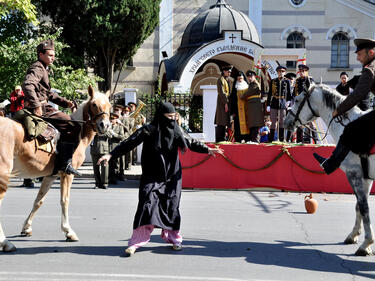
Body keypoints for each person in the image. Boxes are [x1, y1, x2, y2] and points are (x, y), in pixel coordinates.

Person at [97, 102, 223, 256]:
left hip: (172, 176)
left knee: (171, 206)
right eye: (169, 117)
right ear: (161, 116)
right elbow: (130, 142)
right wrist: (111, 154)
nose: (172, 119)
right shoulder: (148, 130)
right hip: (152, 175)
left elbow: (190, 142)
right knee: (146, 205)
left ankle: (175, 239)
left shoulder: (176, 130)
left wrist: (207, 149)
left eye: (173, 116)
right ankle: (136, 242)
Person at [313, 38, 375, 174]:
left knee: (351, 130)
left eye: (359, 54)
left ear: (370, 52)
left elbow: (357, 95)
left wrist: (337, 111)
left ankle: (330, 165)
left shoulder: (370, 70)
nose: (358, 58)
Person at [22, 39, 81, 176]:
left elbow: (48, 93)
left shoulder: (44, 68)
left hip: (43, 105)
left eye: (54, 55)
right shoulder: (38, 67)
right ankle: (64, 164)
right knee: (72, 126)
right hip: (41, 108)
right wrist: (36, 105)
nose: (53, 58)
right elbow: (27, 85)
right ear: (40, 54)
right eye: (50, 55)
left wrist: (67, 103)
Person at [266, 65, 292, 142]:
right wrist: (268, 104)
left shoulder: (287, 81)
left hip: (283, 102)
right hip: (274, 102)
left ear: (285, 72)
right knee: (273, 122)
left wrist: (288, 101)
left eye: (283, 71)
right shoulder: (273, 81)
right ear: (277, 72)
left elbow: (289, 93)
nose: (281, 73)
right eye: (280, 71)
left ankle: (281, 139)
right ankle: (271, 139)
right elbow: (270, 93)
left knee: (282, 122)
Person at [293, 64, 315, 143]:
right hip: (300, 104)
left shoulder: (310, 79)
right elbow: (295, 92)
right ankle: (299, 141)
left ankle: (315, 141)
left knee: (311, 122)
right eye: (300, 71)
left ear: (306, 72)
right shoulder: (298, 80)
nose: (301, 73)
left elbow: (312, 90)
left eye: (303, 71)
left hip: (308, 104)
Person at [241, 70, 264, 142]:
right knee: (252, 124)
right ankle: (253, 139)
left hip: (255, 107)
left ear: (254, 77)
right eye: (248, 77)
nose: (249, 78)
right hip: (252, 106)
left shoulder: (254, 84)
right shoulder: (251, 84)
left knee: (255, 124)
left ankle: (255, 139)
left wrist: (242, 95)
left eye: (251, 76)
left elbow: (246, 94)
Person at [229, 71, 250, 142]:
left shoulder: (248, 87)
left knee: (247, 124)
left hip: (247, 109)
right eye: (238, 77)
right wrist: (232, 112)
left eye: (241, 77)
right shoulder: (235, 88)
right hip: (237, 110)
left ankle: (247, 138)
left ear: (243, 78)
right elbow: (232, 100)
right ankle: (238, 138)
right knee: (238, 125)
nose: (240, 78)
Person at [215, 65, 232, 142]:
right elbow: (221, 92)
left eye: (230, 72)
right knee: (221, 121)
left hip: (226, 101)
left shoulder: (227, 80)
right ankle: (219, 139)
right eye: (228, 72)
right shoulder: (220, 80)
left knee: (224, 121)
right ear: (224, 71)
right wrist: (225, 103)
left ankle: (223, 138)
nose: (229, 73)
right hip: (222, 102)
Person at [108, 112, 125, 184]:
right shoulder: (108, 126)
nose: (112, 120)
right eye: (111, 119)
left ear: (116, 120)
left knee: (115, 164)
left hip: (116, 147)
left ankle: (115, 178)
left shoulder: (120, 127)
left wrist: (114, 134)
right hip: (108, 147)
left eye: (113, 119)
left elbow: (122, 137)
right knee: (109, 164)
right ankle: (109, 178)